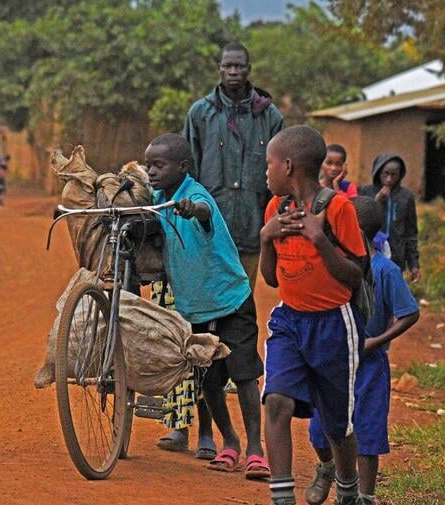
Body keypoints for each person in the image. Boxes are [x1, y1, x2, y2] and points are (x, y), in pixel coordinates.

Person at [177, 40, 284, 455]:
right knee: (203, 328)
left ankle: (243, 437)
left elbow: (280, 174)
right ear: (219, 69)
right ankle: (205, 429)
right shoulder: (200, 113)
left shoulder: (270, 116)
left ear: (249, 67)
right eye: (227, 65)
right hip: (204, 237)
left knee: (235, 321)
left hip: (249, 235)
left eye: (240, 65)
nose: (233, 72)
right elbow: (186, 169)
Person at [145, 133, 269, 480]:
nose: (151, 171)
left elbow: (202, 213)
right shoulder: (156, 197)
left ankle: (256, 449)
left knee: (243, 374)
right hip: (194, 309)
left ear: (183, 167)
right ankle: (229, 442)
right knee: (208, 380)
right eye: (148, 165)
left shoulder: (195, 196)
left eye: (159, 165)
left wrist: (192, 210)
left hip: (229, 300)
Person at [260, 125, 367, 505]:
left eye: (269, 164)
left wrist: (320, 240)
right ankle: (282, 498)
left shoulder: (337, 208)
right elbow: (271, 278)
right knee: (276, 401)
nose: (266, 171)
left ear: (288, 165)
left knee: (338, 426)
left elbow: (356, 275)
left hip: (334, 324)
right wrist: (266, 236)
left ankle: (349, 488)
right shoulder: (276, 208)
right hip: (290, 320)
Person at [305, 196, 420, 505]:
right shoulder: (331, 266)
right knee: (319, 429)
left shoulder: (385, 271)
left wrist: (376, 341)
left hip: (369, 365)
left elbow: (410, 312)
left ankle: (364, 497)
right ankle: (327, 467)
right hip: (332, 362)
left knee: (367, 433)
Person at [359, 153, 421, 282]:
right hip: (370, 256)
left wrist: (413, 264)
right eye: (385, 174)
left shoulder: (406, 197)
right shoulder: (366, 192)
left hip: (396, 258)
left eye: (394, 175)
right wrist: (377, 201)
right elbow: (360, 220)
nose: (389, 179)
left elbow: (410, 232)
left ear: (400, 175)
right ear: (378, 172)